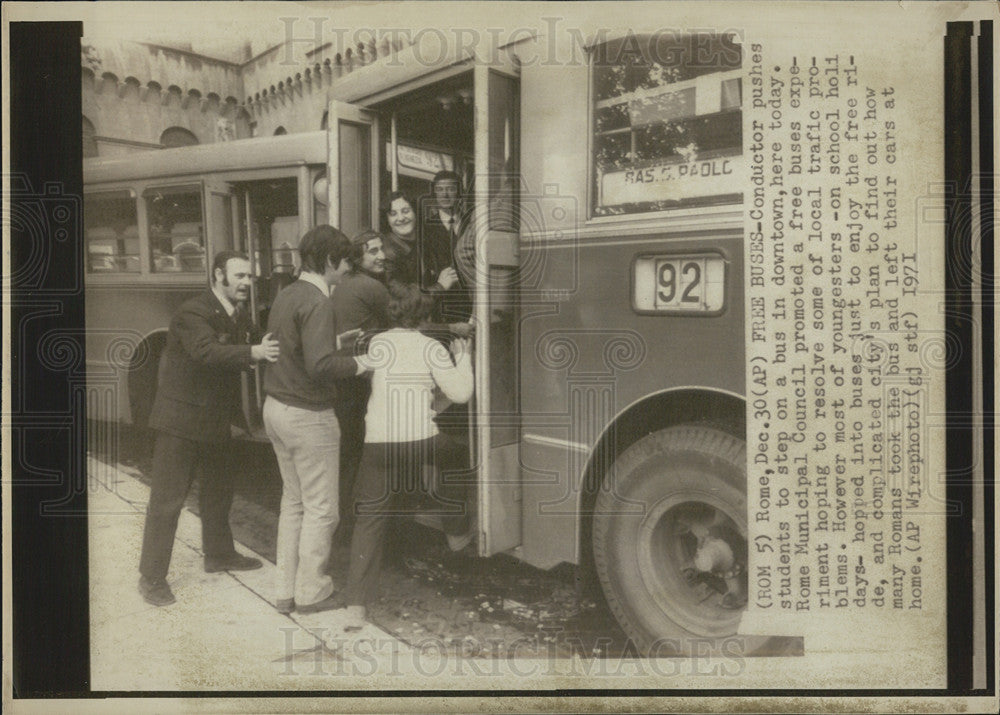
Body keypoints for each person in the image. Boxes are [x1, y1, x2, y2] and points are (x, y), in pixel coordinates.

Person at [138, 250, 280, 607]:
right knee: (167, 502)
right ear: (219, 276)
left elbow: (256, 341)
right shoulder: (193, 312)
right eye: (240, 276)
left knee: (218, 492)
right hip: (181, 422)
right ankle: (151, 578)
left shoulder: (234, 313)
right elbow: (206, 352)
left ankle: (219, 555)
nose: (247, 282)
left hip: (215, 420)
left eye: (250, 276)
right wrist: (254, 353)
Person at [337, 282, 474, 630]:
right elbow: (459, 394)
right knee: (458, 455)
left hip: (379, 444)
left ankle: (355, 607)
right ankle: (456, 532)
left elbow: (360, 364)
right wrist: (465, 358)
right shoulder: (431, 347)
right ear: (425, 316)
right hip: (421, 440)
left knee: (369, 520)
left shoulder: (380, 344)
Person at [261, 225, 370, 615]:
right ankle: (313, 591)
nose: (344, 273)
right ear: (328, 261)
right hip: (309, 416)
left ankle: (285, 590)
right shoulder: (321, 302)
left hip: (276, 409)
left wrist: (334, 342)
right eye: (343, 265)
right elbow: (321, 366)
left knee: (294, 502)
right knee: (324, 508)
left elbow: (291, 347)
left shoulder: (287, 294)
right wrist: (361, 362)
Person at [330, 230, 390, 545]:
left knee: (346, 455)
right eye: (373, 251)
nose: (382, 255)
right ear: (357, 258)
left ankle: (340, 526)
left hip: (341, 381)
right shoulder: (370, 286)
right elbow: (406, 318)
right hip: (359, 382)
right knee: (360, 455)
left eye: (382, 249)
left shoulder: (343, 284)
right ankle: (355, 528)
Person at [420, 171, 472, 322]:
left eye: (450, 189)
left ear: (459, 193)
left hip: (472, 302)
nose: (445, 195)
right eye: (440, 190)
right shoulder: (425, 229)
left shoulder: (472, 223)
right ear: (434, 194)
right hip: (441, 306)